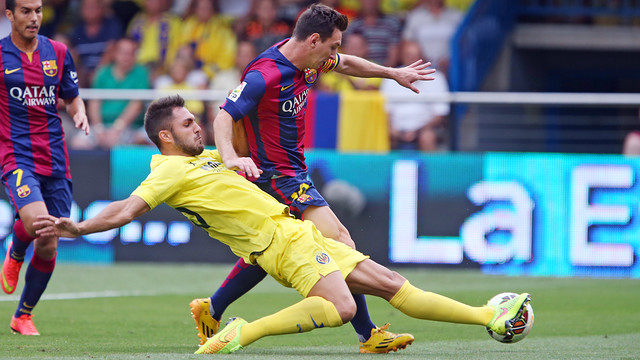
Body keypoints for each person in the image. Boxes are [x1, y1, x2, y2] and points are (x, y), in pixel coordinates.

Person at [33, 95, 532, 354]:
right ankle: (243, 333)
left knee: (389, 282)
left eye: (195, 120)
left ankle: (486, 314)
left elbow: (234, 151)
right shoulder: (166, 171)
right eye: (187, 124)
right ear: (165, 136)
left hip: (297, 232)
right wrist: (75, 228)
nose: (198, 126)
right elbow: (124, 210)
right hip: (278, 241)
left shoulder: (205, 157)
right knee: (338, 306)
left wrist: (241, 156)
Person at [206, 3, 436, 354]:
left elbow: (349, 65)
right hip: (274, 177)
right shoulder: (264, 75)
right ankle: (368, 335)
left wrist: (393, 73)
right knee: (341, 242)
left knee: (267, 252)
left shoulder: (311, 61)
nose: (336, 54)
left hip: (294, 172)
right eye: (333, 46)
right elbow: (224, 117)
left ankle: (211, 308)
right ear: (314, 40)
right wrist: (231, 157)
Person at [0, 0, 89, 335]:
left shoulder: (59, 52)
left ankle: (23, 315)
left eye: (37, 10)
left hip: (55, 155)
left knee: (50, 239)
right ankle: (17, 248)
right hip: (16, 154)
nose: (34, 17)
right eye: (25, 11)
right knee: (38, 222)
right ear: (9, 15)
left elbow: (72, 95)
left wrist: (78, 111)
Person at [380, 40, 450, 151]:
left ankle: (431, 169)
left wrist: (418, 131)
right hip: (396, 129)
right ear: (402, 57)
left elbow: (440, 114)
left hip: (426, 128)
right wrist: (392, 129)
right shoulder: (390, 78)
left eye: (416, 56)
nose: (413, 60)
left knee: (427, 137)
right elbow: (385, 111)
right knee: (381, 134)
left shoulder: (437, 78)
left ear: (422, 57)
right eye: (409, 56)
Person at [84, 37, 150, 149]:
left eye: (131, 53)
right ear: (115, 53)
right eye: (123, 52)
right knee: (79, 143)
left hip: (129, 127)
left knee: (118, 145)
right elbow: (94, 102)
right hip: (101, 126)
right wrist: (98, 128)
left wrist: (117, 128)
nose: (127, 57)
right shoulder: (103, 72)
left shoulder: (141, 73)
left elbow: (136, 105)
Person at [68, 0, 123, 88]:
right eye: (87, 7)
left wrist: (97, 72)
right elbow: (73, 53)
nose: (90, 11)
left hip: (106, 70)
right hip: (83, 71)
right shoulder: (77, 29)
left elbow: (111, 50)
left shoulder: (112, 25)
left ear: (101, 9)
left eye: (93, 7)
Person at [402, 0, 463, 77]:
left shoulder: (457, 16)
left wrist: (452, 60)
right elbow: (407, 44)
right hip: (422, 69)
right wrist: (423, 61)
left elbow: (465, 44)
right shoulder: (416, 16)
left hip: (451, 69)